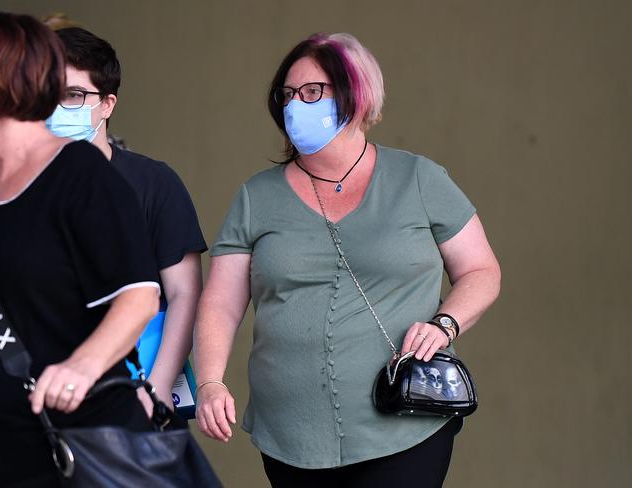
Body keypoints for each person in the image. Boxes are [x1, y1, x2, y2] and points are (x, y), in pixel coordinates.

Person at [195, 32, 501, 487]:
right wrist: (209, 382)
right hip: (289, 435)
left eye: (313, 91)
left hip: (405, 423)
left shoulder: (418, 177)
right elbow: (220, 303)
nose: (297, 104)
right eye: (288, 94)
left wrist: (445, 324)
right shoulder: (255, 197)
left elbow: (481, 271)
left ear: (357, 94)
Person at [0, 11, 160, 487]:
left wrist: (82, 366)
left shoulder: (76, 171)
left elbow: (140, 295)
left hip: (79, 444)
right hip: (2, 446)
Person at [49, 27, 207, 411]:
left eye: (74, 95)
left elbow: (184, 294)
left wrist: (156, 389)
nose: (56, 107)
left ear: (107, 104)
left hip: (137, 389)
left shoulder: (154, 183)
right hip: (44, 394)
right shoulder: (18, 190)